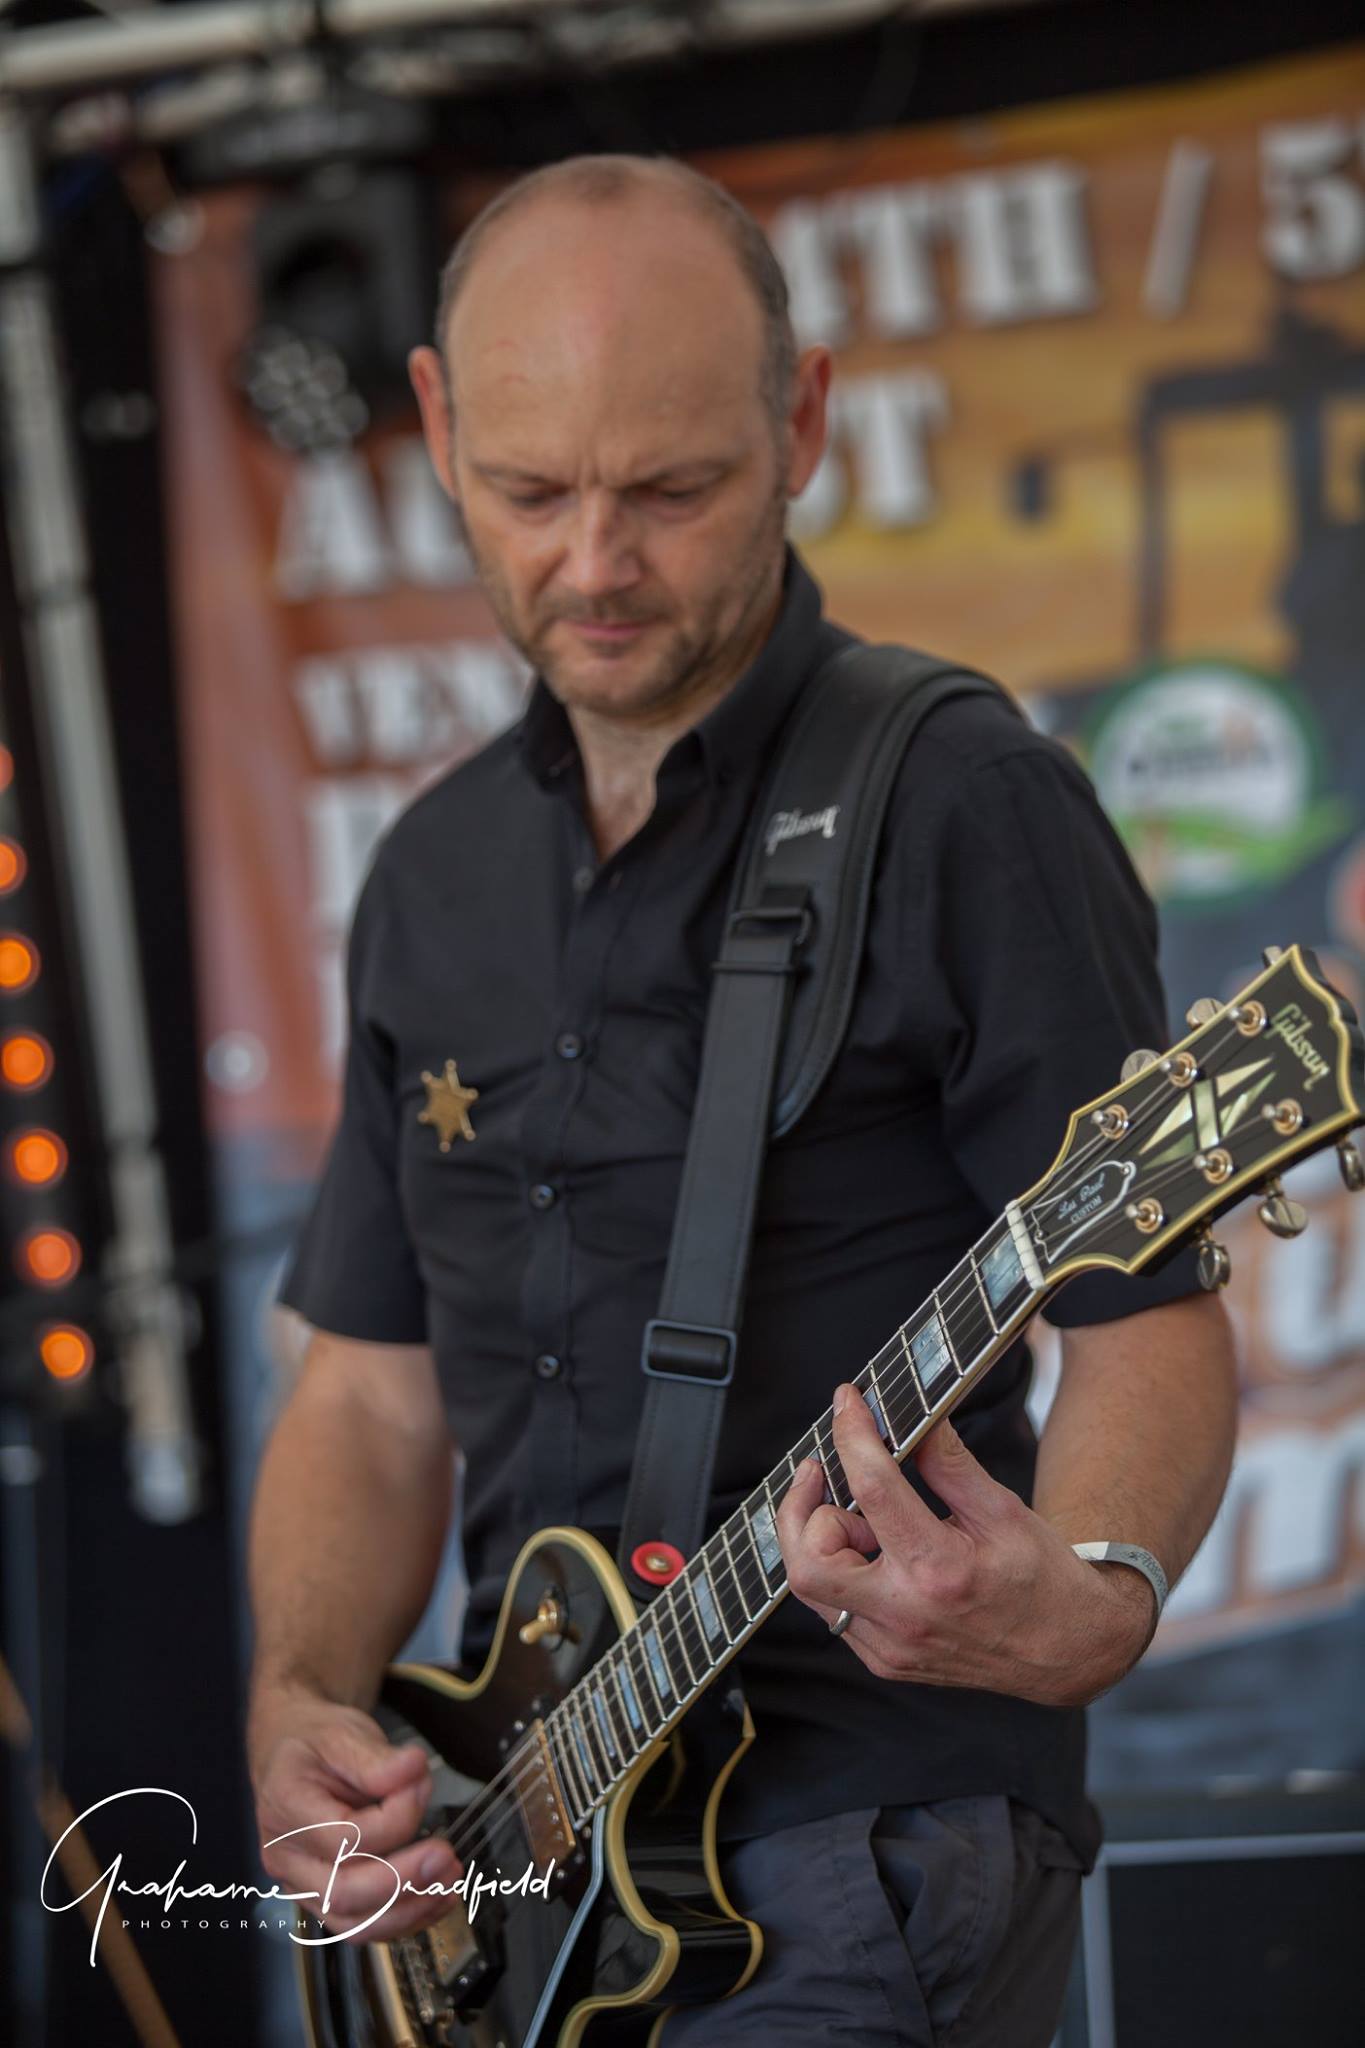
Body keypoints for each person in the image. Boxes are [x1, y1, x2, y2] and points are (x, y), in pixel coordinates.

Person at [247, 153, 1238, 2046]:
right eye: (529, 492)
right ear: (436, 427)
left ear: (799, 423)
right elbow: (368, 1393)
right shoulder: (433, 874)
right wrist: (298, 1698)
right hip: (520, 1863)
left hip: (868, 1840)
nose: (593, 563)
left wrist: (1097, 1591)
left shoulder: (963, 799)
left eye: (669, 491)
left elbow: (1148, 1315)